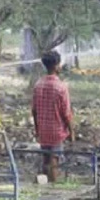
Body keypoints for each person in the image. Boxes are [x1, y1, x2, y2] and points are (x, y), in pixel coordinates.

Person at [32, 51, 75, 183]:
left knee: (45, 161)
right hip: (57, 131)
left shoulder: (38, 85)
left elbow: (34, 111)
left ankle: (44, 189)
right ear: (56, 66)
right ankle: (54, 189)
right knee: (54, 161)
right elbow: (66, 113)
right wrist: (72, 131)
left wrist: (37, 129)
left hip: (43, 130)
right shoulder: (61, 87)